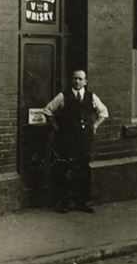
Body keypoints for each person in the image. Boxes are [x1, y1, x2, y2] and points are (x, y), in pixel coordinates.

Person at [43, 69, 108, 213]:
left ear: (85, 81)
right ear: (71, 80)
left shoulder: (91, 97)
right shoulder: (63, 96)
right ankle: (64, 203)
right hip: (67, 140)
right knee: (66, 169)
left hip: (84, 141)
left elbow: (103, 112)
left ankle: (82, 202)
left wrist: (95, 126)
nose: (77, 81)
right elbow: (47, 111)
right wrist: (56, 127)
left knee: (83, 170)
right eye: (75, 79)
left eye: (80, 79)